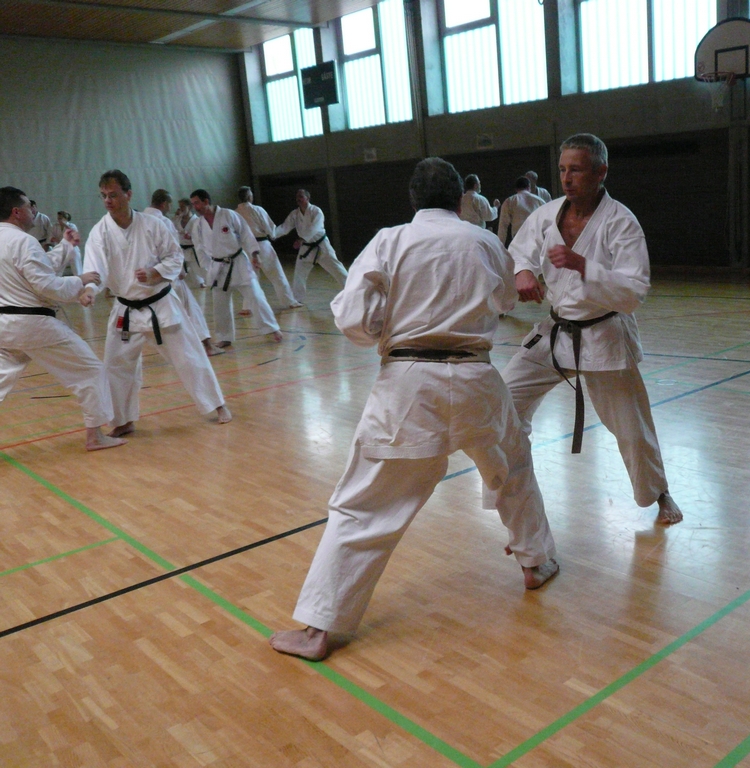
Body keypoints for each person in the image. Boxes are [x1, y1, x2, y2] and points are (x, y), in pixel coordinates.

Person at [269, 158, 558, 662]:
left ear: (413, 198)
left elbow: (353, 319)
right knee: (513, 467)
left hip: (409, 386)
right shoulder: (484, 241)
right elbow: (507, 300)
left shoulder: (390, 240)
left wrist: (389, 324)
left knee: (365, 505)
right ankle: (535, 561)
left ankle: (319, 629)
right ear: (460, 199)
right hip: (477, 378)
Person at [498, 133, 683, 526]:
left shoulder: (621, 222)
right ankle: (511, 496)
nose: (567, 178)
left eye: (577, 170)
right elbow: (518, 251)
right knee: (504, 401)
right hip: (555, 331)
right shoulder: (547, 214)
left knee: (631, 427)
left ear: (601, 172)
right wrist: (523, 272)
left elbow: (634, 291)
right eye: (563, 169)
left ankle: (659, 493)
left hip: (604, 334)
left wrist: (584, 266)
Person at [83, 170, 231, 436]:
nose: (107, 201)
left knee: (189, 357)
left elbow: (175, 257)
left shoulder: (153, 224)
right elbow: (94, 269)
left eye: (113, 195)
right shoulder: (99, 232)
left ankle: (217, 404)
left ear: (128, 194)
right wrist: (90, 289)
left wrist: (156, 273)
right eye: (103, 196)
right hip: (126, 309)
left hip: (161, 305)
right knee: (116, 366)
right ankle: (123, 420)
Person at [0, 187, 125, 452]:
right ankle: (95, 436)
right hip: (32, 325)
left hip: (4, 327)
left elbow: (38, 266)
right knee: (90, 370)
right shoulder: (23, 241)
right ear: (16, 212)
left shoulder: (12, 241)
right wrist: (79, 281)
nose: (33, 211)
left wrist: (65, 246)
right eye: (28, 206)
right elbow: (46, 285)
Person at [189, 188, 283, 349]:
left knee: (256, 296)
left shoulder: (228, 215)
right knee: (220, 305)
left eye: (197, 203)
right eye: (193, 204)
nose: (195, 207)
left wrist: (254, 254)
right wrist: (207, 267)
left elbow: (246, 235)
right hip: (217, 267)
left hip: (238, 262)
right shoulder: (198, 225)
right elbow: (199, 249)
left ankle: (272, 328)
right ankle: (224, 336)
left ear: (206, 201)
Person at [143, 189, 222, 357]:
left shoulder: (138, 220)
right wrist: (179, 269)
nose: (170, 208)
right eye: (169, 204)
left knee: (154, 315)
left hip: (147, 278)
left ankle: (173, 349)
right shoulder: (163, 221)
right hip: (167, 275)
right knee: (191, 308)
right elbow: (174, 250)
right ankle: (207, 345)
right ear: (164, 203)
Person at [275, 189, 348, 303]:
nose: (298, 199)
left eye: (301, 196)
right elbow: (285, 227)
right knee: (299, 273)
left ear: (307, 198)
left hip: (321, 245)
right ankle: (297, 299)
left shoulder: (316, 211)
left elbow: (316, 227)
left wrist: (302, 239)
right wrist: (272, 234)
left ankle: (353, 290)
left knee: (337, 269)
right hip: (306, 248)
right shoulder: (295, 214)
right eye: (297, 197)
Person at [236, 186, 302, 309]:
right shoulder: (257, 210)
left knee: (250, 278)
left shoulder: (235, 213)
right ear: (250, 196)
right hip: (262, 245)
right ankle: (289, 301)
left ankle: (247, 307)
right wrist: (273, 234)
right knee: (276, 274)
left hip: (246, 247)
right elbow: (270, 228)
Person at [497, 176, 545, 246]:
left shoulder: (509, 201)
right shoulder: (539, 201)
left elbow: (503, 226)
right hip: (537, 237)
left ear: (516, 189)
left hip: (518, 238)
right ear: (529, 187)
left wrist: (500, 246)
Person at [173, 198, 206, 289]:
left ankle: (206, 282)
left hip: (193, 249)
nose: (181, 209)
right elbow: (171, 230)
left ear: (190, 207)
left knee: (199, 269)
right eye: (180, 207)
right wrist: (175, 217)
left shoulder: (197, 220)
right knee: (178, 270)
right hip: (180, 249)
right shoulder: (177, 220)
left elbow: (203, 236)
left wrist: (192, 237)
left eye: (183, 207)